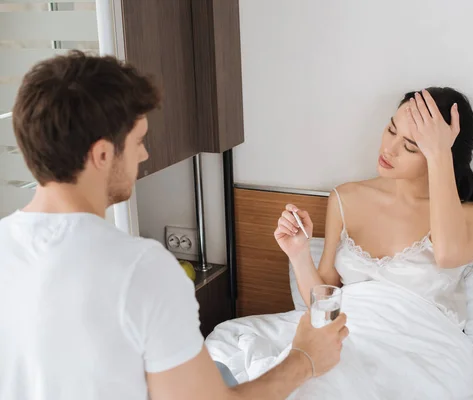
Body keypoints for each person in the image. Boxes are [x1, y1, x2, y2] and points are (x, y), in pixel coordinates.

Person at [0, 51, 349, 400]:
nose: (144, 155)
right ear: (103, 155)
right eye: (138, 142)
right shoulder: (141, 269)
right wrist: (304, 358)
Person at [275, 87, 473, 317]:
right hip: (346, 338)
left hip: (424, 345)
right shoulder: (345, 199)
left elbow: (447, 256)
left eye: (410, 147)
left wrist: (440, 153)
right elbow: (323, 308)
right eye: (392, 130)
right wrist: (298, 254)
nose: (389, 149)